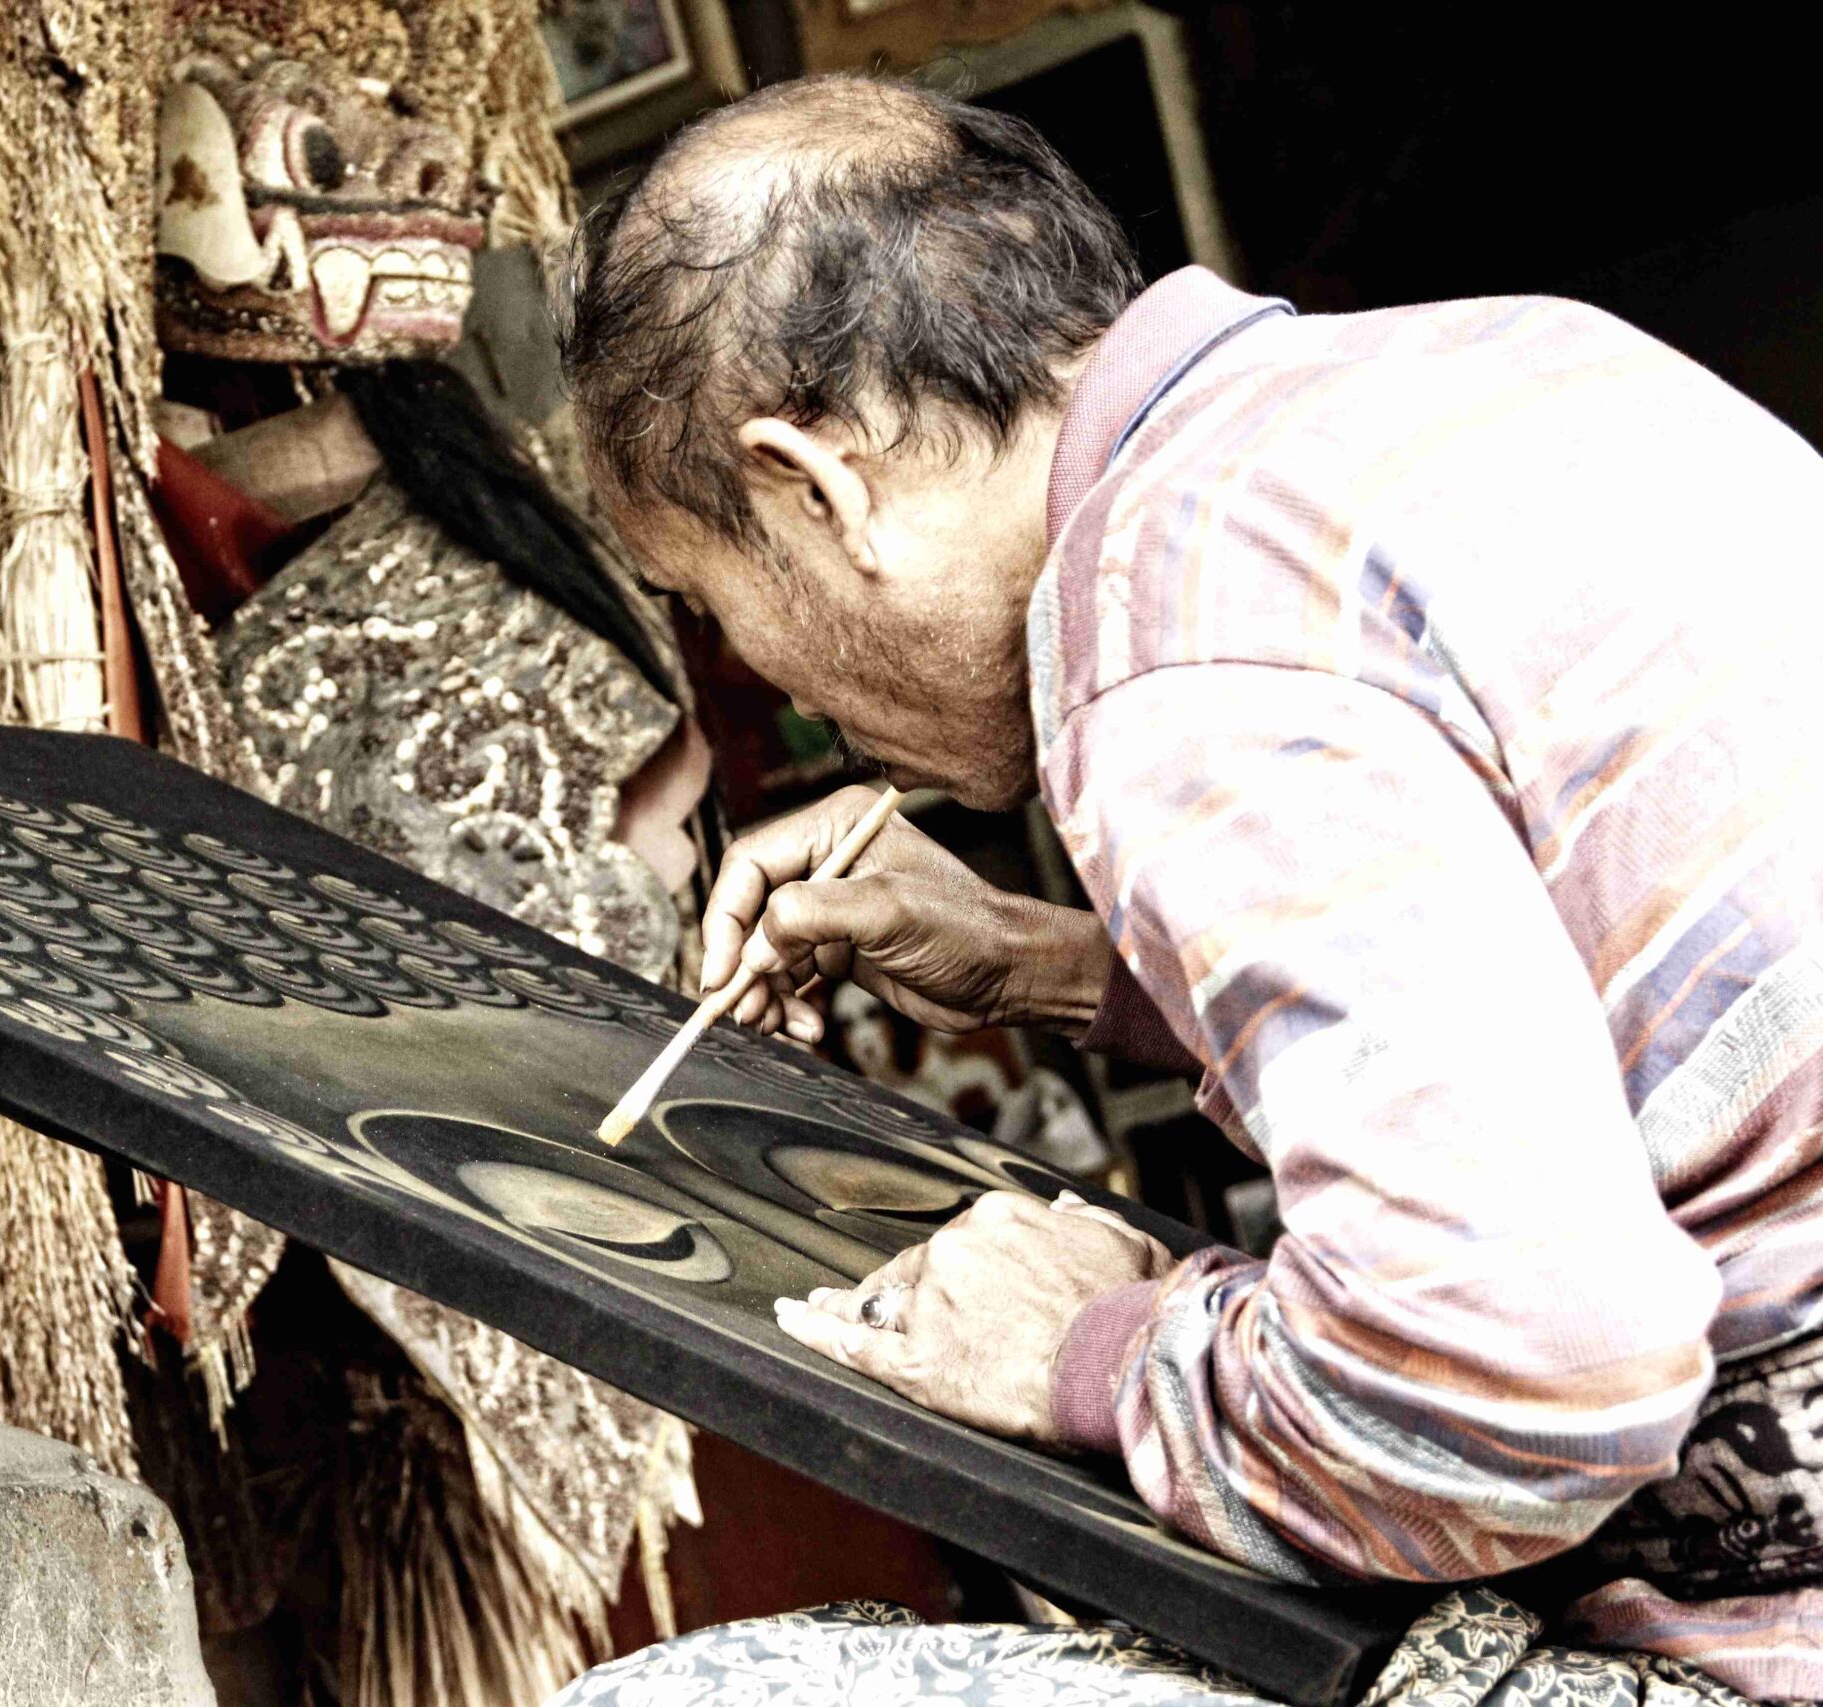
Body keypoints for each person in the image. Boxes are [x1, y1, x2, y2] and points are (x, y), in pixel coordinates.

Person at [547, 72, 1822, 1706]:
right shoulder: (1527, 363)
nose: (767, 676)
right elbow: (1617, 991)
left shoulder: (1180, 651)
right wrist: (1057, 967)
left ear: (816, 489)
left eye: (712, 602)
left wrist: (1096, 1350)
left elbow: (1521, 1382)